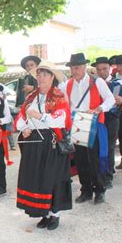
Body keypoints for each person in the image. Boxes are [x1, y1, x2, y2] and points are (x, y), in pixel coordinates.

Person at [15, 61, 72, 230]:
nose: (41, 78)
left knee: (52, 178)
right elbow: (20, 118)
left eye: (45, 74)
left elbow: (61, 120)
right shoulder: (31, 97)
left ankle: (55, 214)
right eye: (39, 74)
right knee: (38, 178)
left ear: (52, 77)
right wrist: (24, 127)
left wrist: (40, 116)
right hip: (34, 143)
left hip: (51, 142)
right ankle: (44, 213)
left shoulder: (58, 96)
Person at [60, 53, 115, 204]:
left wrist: (100, 108)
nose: (74, 70)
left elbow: (110, 99)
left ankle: (100, 190)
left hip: (94, 124)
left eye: (77, 67)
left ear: (84, 67)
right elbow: (63, 103)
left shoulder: (97, 82)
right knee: (81, 159)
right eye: (72, 68)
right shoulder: (67, 85)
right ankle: (86, 190)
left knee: (95, 158)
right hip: (77, 125)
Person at [93, 57, 122, 189]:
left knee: (109, 148)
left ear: (110, 68)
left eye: (104, 69)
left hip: (111, 119)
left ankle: (108, 176)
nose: (101, 72)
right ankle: (98, 175)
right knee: (96, 148)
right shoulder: (93, 83)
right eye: (98, 69)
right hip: (95, 119)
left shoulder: (118, 83)